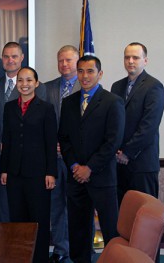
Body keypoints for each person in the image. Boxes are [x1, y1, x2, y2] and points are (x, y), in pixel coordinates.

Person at [58, 55, 125, 263]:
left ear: (100, 74)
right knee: (78, 230)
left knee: (110, 229)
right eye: (81, 71)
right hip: (76, 177)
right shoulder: (68, 102)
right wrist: (75, 166)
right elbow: (64, 139)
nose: (84, 76)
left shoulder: (113, 102)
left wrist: (90, 168)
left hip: (102, 178)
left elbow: (113, 142)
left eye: (90, 71)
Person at [1, 67, 58, 263]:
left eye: (28, 80)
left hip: (39, 174)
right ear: (16, 84)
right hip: (14, 174)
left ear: (36, 83)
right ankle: (20, 258)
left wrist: (51, 172)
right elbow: (6, 141)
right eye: (20, 81)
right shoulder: (9, 107)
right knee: (18, 221)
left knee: (38, 221)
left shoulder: (46, 108)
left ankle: (40, 259)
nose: (24, 84)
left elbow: (51, 143)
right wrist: (4, 169)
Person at [0, 41, 46, 222]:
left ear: (22, 58)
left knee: (25, 207)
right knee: (2, 202)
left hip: (26, 156)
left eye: (14, 56)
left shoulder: (36, 86)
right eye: (6, 56)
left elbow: (38, 121)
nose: (10, 60)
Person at [111, 42, 164, 202]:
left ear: (145, 61)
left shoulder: (154, 86)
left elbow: (149, 125)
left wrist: (128, 152)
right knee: (122, 217)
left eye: (135, 57)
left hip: (142, 164)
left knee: (144, 215)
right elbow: (113, 122)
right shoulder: (117, 87)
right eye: (127, 57)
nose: (131, 61)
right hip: (119, 164)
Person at [43, 45, 80, 263]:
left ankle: (78, 248)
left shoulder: (87, 87)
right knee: (56, 206)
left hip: (77, 160)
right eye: (60, 60)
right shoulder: (47, 88)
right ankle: (59, 249)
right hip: (53, 159)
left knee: (77, 206)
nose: (64, 64)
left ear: (78, 61)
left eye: (68, 60)